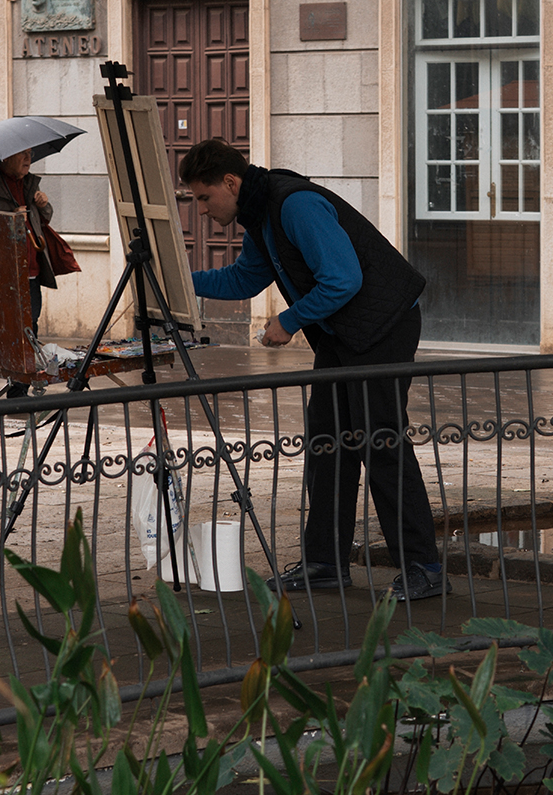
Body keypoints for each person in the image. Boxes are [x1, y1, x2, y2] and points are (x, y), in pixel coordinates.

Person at [178, 138, 446, 602]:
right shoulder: (260, 215)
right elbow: (245, 278)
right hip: (346, 332)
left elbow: (343, 278)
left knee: (380, 441)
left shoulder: (294, 204)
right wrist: (180, 283)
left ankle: (423, 566)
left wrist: (289, 320)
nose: (201, 210)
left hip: (385, 323)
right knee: (329, 441)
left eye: (204, 198)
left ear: (230, 182)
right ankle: (325, 563)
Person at [0, 148, 71, 400]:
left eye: (30, 153)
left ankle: (19, 387)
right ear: (5, 157)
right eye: (21, 153)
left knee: (30, 329)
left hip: (29, 269)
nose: (28, 158)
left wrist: (43, 206)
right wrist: (9, 220)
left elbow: (43, 220)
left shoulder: (29, 183)